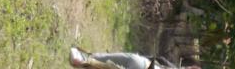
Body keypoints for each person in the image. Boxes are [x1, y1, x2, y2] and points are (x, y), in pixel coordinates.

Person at [68, 46, 199, 69]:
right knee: (106, 64)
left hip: (141, 61)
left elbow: (160, 59)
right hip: (141, 64)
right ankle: (81, 61)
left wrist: (144, 57)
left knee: (105, 59)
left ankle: (81, 59)